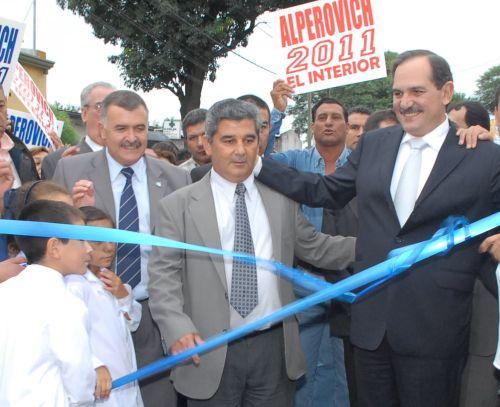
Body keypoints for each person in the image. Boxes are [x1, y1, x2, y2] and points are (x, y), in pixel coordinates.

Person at [255, 49, 500, 407]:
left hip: (437, 327)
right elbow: (325, 191)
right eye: (398, 93)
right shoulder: (374, 144)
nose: (405, 102)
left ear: (446, 93)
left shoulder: (481, 155)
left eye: (416, 91)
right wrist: (256, 164)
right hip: (371, 327)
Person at [148, 99, 356, 407]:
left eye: (249, 140)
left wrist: (376, 246)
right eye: (229, 140)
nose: (240, 150)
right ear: (208, 142)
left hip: (273, 350)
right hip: (208, 351)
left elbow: (316, 247)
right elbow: (163, 279)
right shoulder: (177, 206)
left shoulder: (282, 198)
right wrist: (178, 328)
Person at [52, 89, 190, 407]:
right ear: (102, 130)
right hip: (94, 319)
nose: (132, 138)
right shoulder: (71, 172)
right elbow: (52, 246)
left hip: (154, 316)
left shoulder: (175, 179)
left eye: (139, 129)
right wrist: (72, 213)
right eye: (121, 129)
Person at [268, 96, 353, 407]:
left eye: (335, 116)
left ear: (346, 124)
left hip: (351, 281)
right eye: (322, 117)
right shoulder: (294, 161)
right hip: (305, 283)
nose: (328, 122)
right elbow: (257, 159)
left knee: (342, 367)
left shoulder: (361, 164)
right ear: (312, 124)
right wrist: (277, 112)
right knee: (304, 368)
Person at [0, 200, 96, 406]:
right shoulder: (66, 304)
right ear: (54, 247)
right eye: (81, 240)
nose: (88, 249)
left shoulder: (5, 292)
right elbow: (79, 380)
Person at [65, 206, 144, 407]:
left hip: (125, 384)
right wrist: (95, 364)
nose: (109, 247)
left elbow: (132, 323)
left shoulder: (110, 279)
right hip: (99, 389)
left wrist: (123, 296)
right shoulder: (74, 284)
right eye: (98, 240)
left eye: (111, 238)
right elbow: (68, 337)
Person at [41, 81, 116, 179]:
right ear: (84, 114)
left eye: (115, 107)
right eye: (100, 107)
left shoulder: (132, 158)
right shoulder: (57, 161)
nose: (109, 114)